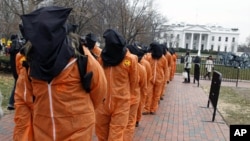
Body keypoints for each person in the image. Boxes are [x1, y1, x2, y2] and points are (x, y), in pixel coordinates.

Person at [13, 6, 107, 141]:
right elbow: (23, 100)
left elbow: (100, 89)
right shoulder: (30, 63)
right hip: (43, 131)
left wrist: (80, 114)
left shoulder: (81, 57)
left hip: (78, 131)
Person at [95, 29, 138, 141]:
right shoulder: (103, 58)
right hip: (102, 102)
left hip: (121, 103)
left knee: (116, 135)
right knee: (101, 132)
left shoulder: (130, 59)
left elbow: (134, 81)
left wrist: (126, 96)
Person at [143, 42, 167, 115]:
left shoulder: (163, 58)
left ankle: (153, 109)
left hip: (159, 79)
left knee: (156, 95)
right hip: (150, 79)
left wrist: (164, 80)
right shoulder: (148, 57)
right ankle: (147, 109)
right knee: (148, 94)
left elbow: (165, 70)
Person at [7, 34, 22, 110]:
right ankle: (12, 102)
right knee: (18, 84)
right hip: (19, 69)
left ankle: (12, 102)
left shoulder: (11, 46)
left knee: (17, 83)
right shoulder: (18, 45)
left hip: (14, 69)